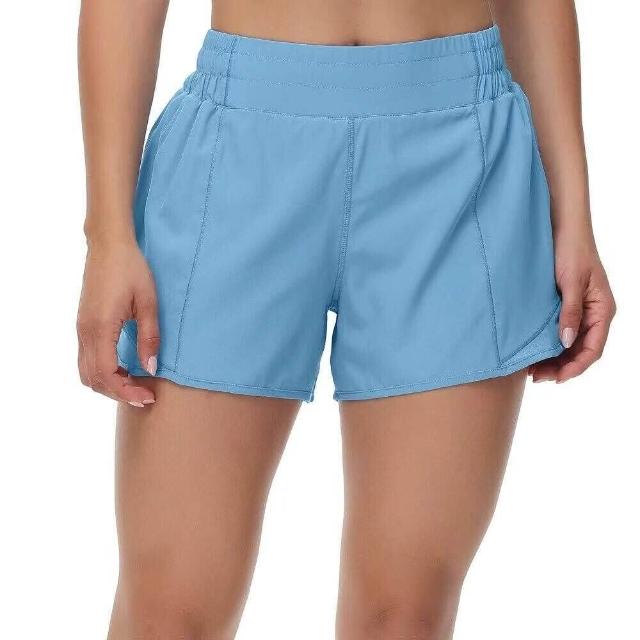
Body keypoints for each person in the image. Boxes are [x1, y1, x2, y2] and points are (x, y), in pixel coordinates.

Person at [77, 0, 615, 637]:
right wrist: (107, 235)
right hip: (240, 142)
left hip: (457, 152)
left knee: (405, 615)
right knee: (166, 612)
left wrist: (573, 214)